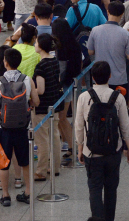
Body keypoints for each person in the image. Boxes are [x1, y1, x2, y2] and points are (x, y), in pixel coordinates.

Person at [75, 61, 129, 221]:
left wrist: (80, 149)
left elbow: (79, 126)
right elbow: (125, 126)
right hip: (113, 151)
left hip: (91, 152)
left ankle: (97, 218)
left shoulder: (83, 97)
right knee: (111, 189)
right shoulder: (118, 97)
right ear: (110, 75)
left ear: (92, 77)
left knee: (94, 188)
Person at [0, 47, 39, 206]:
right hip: (22, 127)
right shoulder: (27, 79)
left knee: (4, 163)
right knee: (24, 161)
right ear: (18, 62)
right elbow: (36, 102)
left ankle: (5, 196)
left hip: (4, 129)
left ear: (5, 63)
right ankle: (28, 193)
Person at [88, 0, 129, 96]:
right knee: (119, 107)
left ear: (107, 12)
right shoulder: (125, 34)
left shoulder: (95, 30)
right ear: (122, 14)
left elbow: (90, 51)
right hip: (119, 80)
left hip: (99, 79)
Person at [32, 33, 62, 181]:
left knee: (42, 140)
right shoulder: (54, 61)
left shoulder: (40, 66)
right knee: (55, 136)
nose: (34, 44)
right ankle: (55, 167)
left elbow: (40, 90)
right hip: (54, 104)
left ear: (41, 46)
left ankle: (41, 171)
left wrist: (32, 91)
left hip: (42, 107)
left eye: (36, 42)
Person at [51, 18, 81, 156]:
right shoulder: (74, 45)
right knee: (61, 119)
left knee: (61, 118)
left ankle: (71, 146)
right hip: (69, 84)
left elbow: (61, 72)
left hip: (61, 87)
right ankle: (69, 145)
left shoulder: (60, 49)